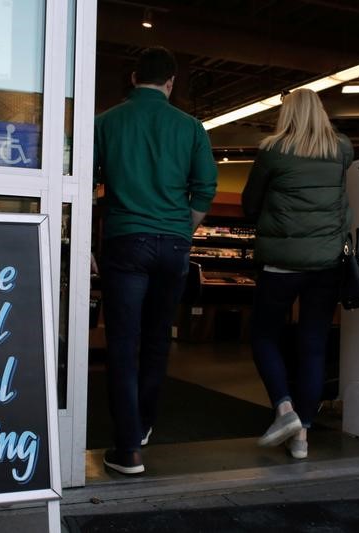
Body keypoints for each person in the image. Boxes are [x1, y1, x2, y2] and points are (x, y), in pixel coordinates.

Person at [93, 46, 218, 475]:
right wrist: (182, 227)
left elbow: (82, 182)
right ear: (170, 83)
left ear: (132, 78)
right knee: (157, 340)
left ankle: (128, 448)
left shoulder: (105, 123)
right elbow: (204, 189)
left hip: (126, 242)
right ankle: (145, 423)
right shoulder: (191, 127)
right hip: (174, 245)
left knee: (123, 344)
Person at [241, 88, 353, 460]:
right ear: (320, 112)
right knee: (313, 345)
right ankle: (301, 436)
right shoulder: (340, 150)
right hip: (325, 264)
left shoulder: (273, 150)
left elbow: (249, 204)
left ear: (286, 114)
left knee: (263, 335)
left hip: (280, 264)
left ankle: (285, 410)